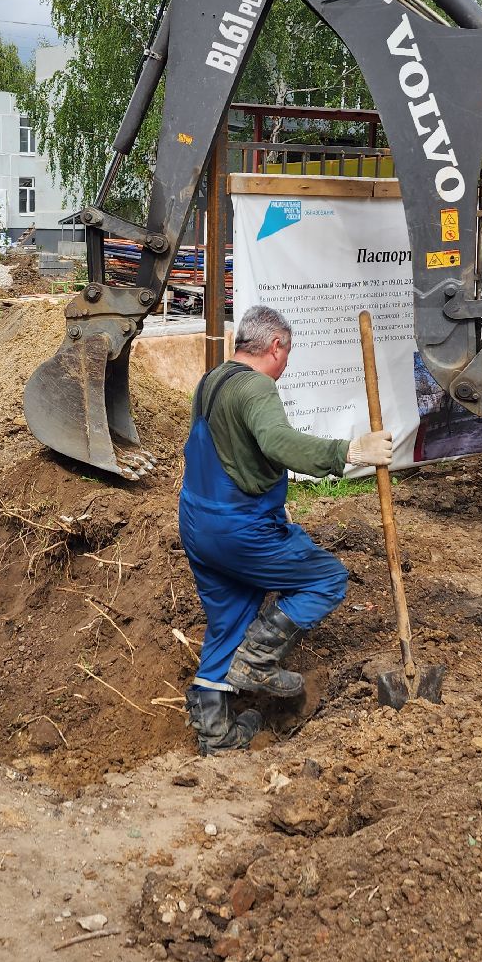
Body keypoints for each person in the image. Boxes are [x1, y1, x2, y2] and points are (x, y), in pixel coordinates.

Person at [180, 305, 393, 754]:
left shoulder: (212, 380)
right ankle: (256, 660)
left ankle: (216, 735)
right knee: (327, 578)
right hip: (238, 529)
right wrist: (351, 450)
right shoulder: (257, 387)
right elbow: (277, 442)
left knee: (229, 620)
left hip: (198, 523)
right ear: (275, 346)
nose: (286, 363)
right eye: (288, 352)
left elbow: (237, 454)